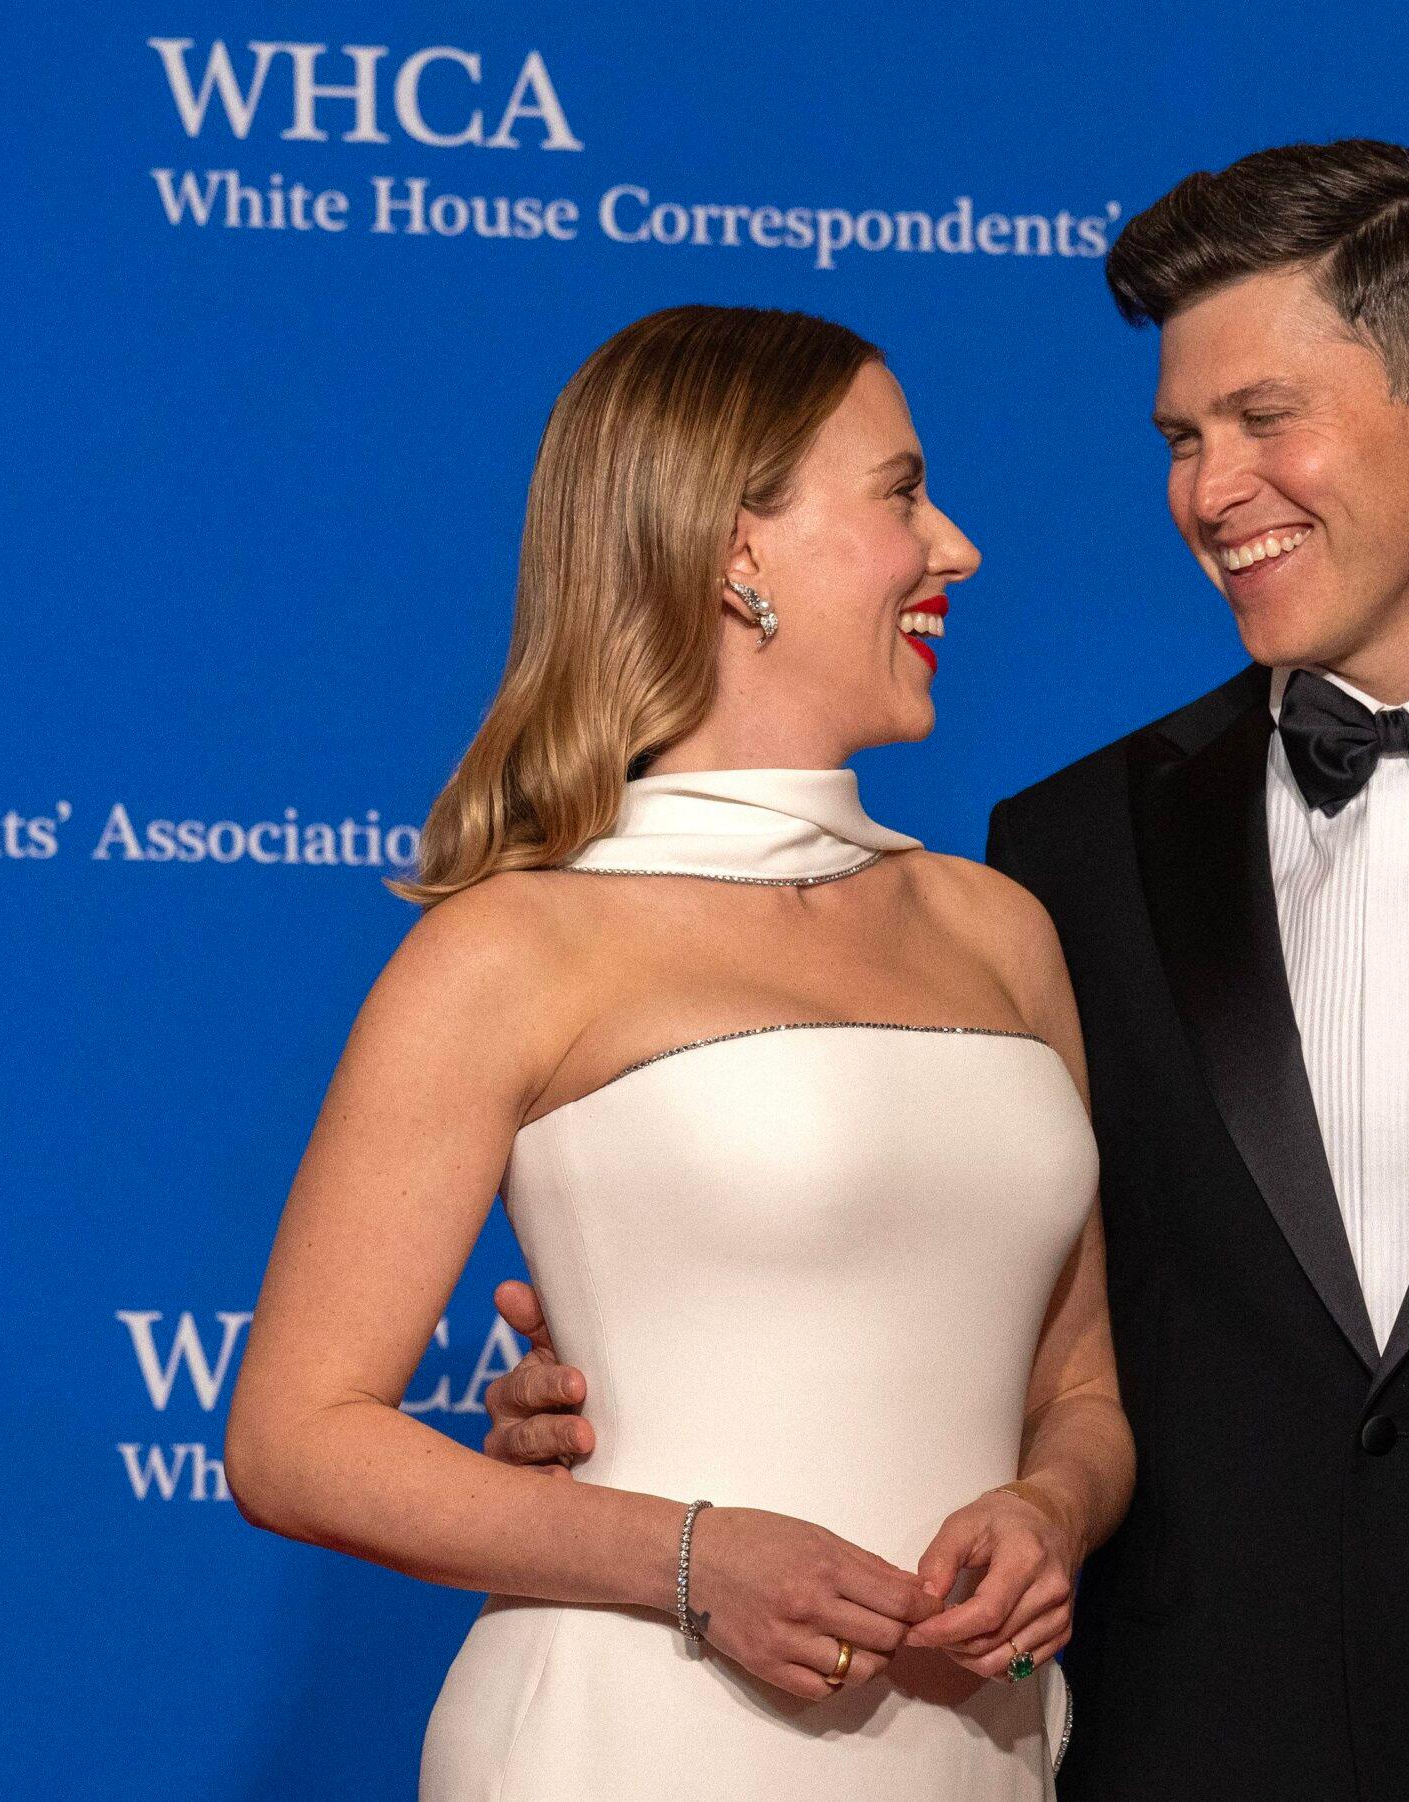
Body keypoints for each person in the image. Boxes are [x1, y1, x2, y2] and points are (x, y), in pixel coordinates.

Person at [488, 142, 1409, 1800]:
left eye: (1264, 418)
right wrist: (642, 1386)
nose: (1209, 487)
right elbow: (979, 1308)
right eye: (1182, 437)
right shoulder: (1065, 856)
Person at [224, 304, 1130, 1800]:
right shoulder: (514, 946)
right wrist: (696, 1557)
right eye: (901, 493)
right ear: (734, 549)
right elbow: (293, 1437)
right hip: (629, 1739)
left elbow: (1082, 1391)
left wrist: (1052, 1508)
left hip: (979, 1749)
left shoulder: (1000, 930)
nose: (954, 545)